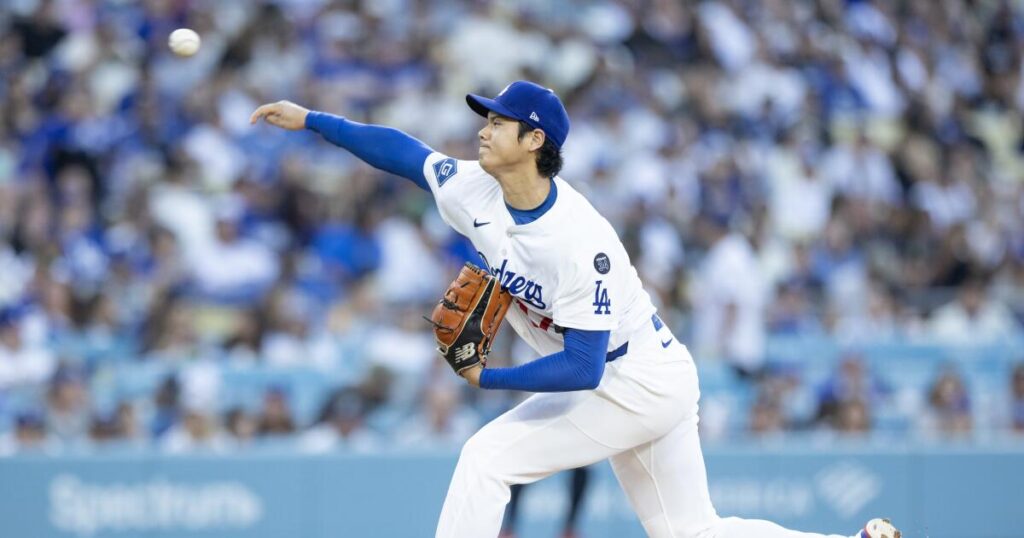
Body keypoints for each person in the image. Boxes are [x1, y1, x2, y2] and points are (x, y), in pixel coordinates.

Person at [251, 80, 900, 538]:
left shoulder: (576, 240)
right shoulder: (475, 187)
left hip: (630, 379)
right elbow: (401, 150)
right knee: (693, 532)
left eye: (498, 121)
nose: (484, 126)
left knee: (485, 459)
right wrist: (312, 119)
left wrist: (490, 380)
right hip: (650, 370)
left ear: (534, 140)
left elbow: (584, 369)